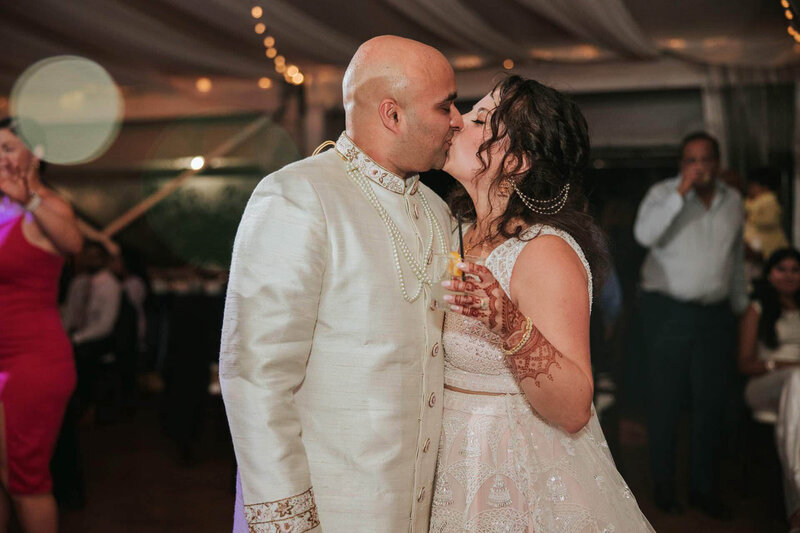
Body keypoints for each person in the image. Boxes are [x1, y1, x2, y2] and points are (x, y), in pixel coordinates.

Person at [220, 36, 462, 532]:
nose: (459, 119)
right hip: (330, 507)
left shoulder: (439, 212)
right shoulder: (298, 196)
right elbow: (255, 376)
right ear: (392, 115)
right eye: (446, 106)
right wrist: (289, 520)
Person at [429, 76, 653, 531]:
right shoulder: (450, 227)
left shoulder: (544, 250)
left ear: (515, 160)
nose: (457, 122)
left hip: (514, 464)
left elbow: (573, 407)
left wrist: (507, 321)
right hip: (445, 456)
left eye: (480, 119)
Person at [633, 131, 747, 519]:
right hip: (667, 312)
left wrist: (741, 306)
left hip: (715, 315)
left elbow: (734, 262)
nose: (699, 166)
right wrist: (681, 192)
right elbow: (643, 235)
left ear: (718, 162)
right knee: (664, 400)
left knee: (711, 403)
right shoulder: (664, 195)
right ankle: (663, 485)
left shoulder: (734, 202)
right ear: (682, 164)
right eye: (690, 160)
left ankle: (703, 488)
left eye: (705, 159)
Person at [0, 117, 83, 533]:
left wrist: (29, 199)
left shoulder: (48, 207)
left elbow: (73, 243)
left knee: (25, 481)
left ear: (38, 155)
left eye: (8, 148)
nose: (0, 158)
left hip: (33, 360)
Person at [738, 247, 800, 531]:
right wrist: (784, 365)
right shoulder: (757, 308)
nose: (789, 275)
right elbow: (745, 363)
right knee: (796, 381)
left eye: (795, 270)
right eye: (781, 269)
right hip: (766, 381)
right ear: (770, 273)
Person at [744, 166, 788, 276]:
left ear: (765, 187)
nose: (750, 190)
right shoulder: (752, 200)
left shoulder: (769, 200)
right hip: (755, 242)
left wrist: (750, 217)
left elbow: (770, 219)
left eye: (753, 186)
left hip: (767, 244)